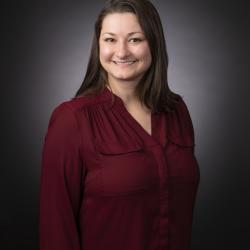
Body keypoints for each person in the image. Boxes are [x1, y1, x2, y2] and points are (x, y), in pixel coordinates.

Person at [39, 0, 200, 249]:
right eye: (110, 39)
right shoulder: (71, 120)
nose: (122, 51)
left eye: (135, 39)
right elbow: (56, 229)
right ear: (98, 46)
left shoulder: (177, 111)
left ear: (154, 43)